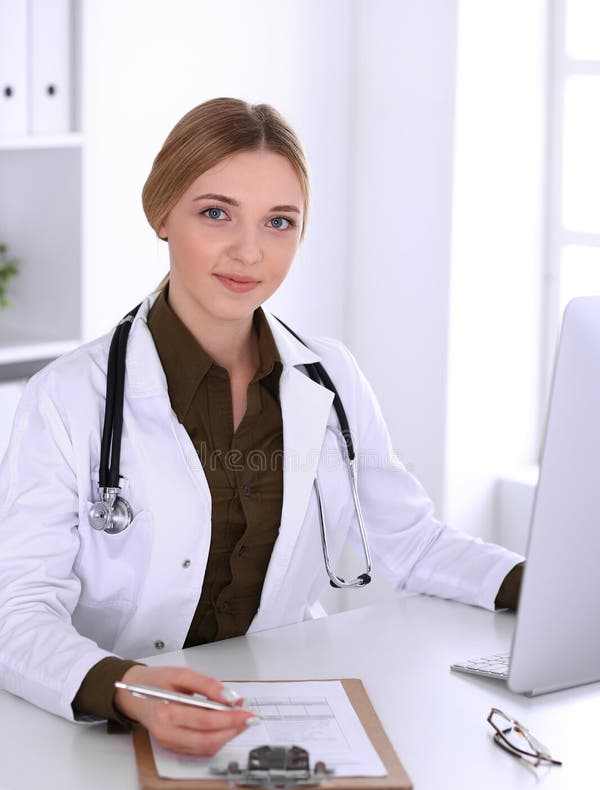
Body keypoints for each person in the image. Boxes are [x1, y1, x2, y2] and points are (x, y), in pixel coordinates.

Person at [0, 97, 524, 756]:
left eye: (279, 222)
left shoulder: (328, 376)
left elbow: (411, 542)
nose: (249, 252)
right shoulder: (69, 398)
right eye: (216, 213)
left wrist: (545, 588)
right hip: (105, 736)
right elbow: (17, 613)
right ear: (163, 214)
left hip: (276, 721)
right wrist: (130, 688)